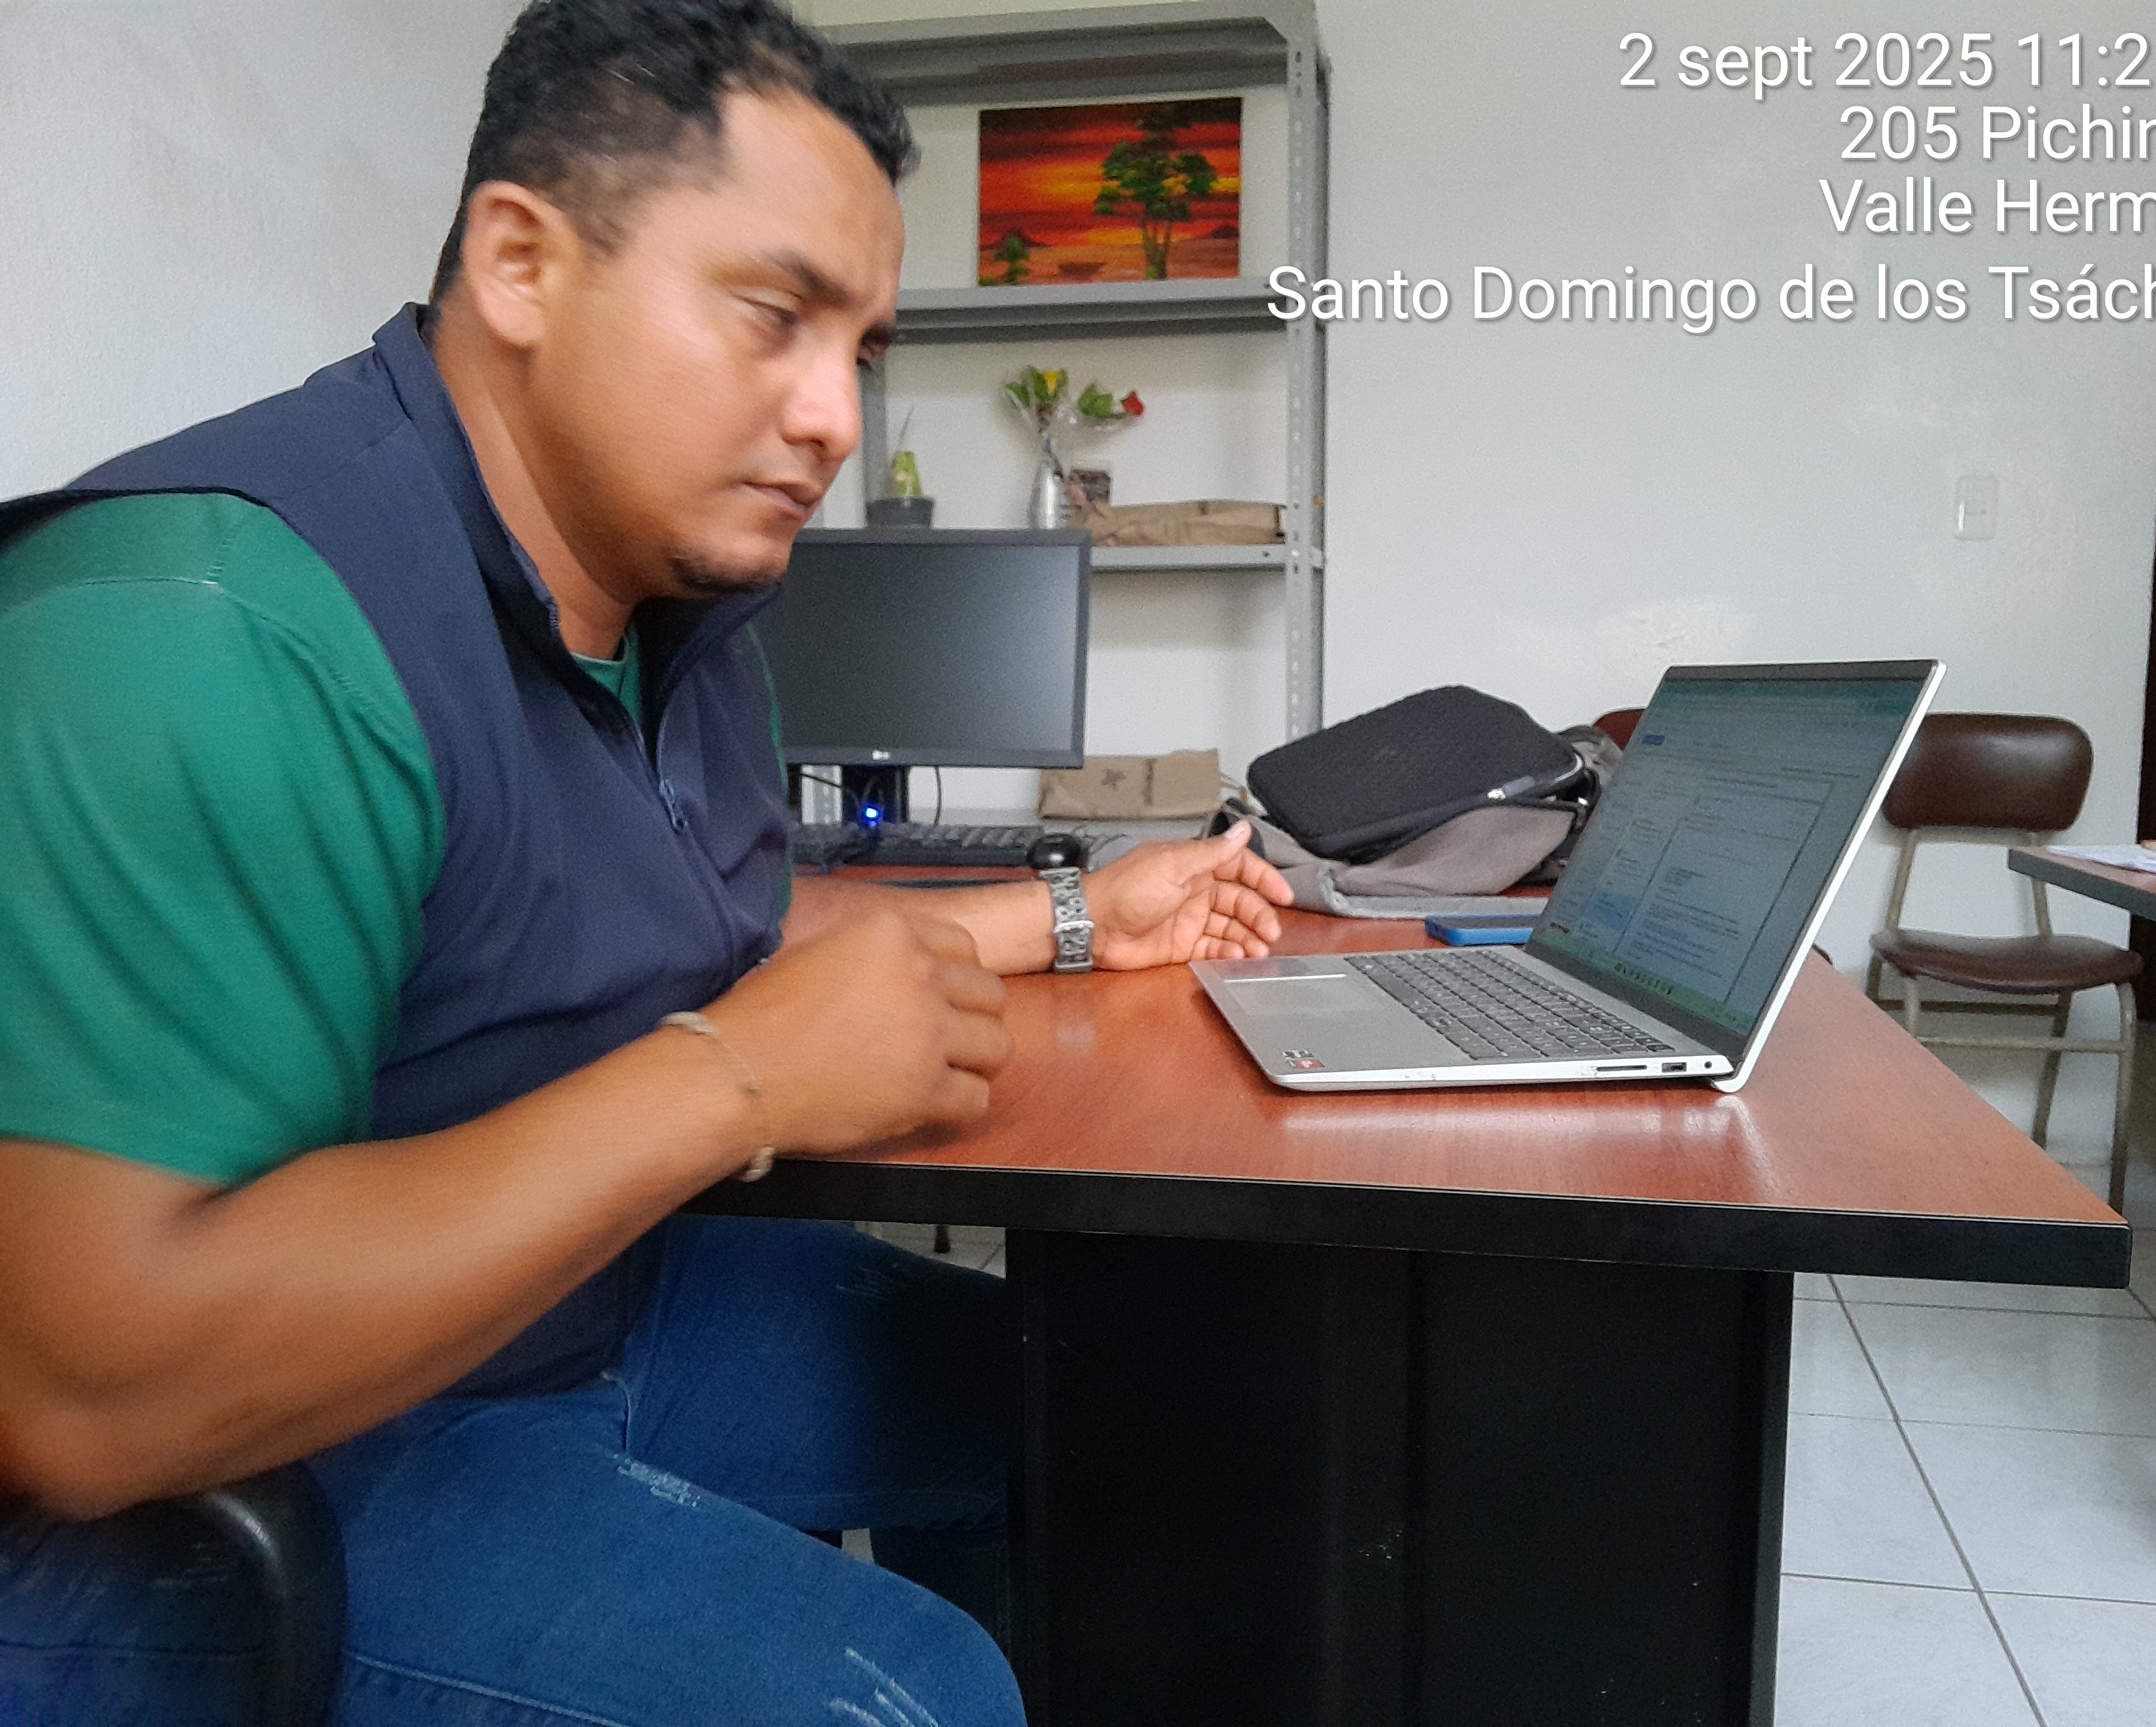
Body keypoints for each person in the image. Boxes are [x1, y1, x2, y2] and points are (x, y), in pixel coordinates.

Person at [0, 3, 1291, 1723]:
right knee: (916, 1695)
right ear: (521, 263)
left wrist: (1073, 912)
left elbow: (709, 917)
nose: (832, 417)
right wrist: (738, 1082)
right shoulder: (212, 630)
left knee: (1100, 1416)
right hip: (212, 1486)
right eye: (770, 316)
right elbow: (92, 1398)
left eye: (861, 348)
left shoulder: (671, 607)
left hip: (554, 1319)